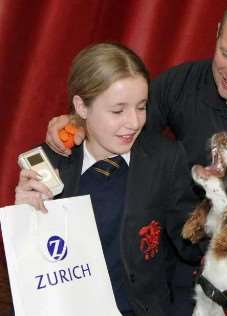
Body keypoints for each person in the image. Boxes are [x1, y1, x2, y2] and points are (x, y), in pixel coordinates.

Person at [44, 0, 227, 312]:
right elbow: (118, 122)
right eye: (226, 54)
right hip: (181, 249)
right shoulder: (179, 85)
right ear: (218, 33)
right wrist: (74, 124)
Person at [14, 43, 201, 316]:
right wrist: (24, 218)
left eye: (141, 107)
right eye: (118, 111)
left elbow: (192, 245)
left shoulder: (164, 159)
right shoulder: (51, 161)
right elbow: (28, 269)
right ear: (82, 106)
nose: (134, 122)